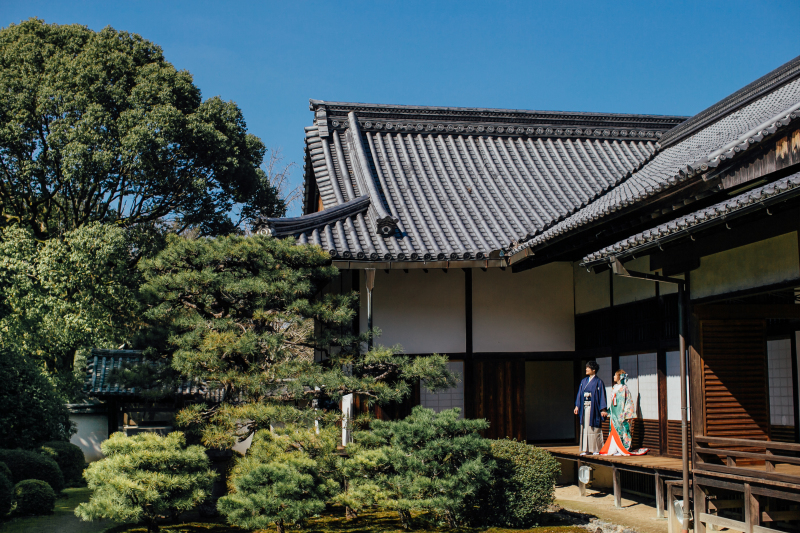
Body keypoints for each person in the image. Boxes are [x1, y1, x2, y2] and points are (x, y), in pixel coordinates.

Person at [574, 360, 607, 455]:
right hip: (584, 407)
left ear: (593, 370)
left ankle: (597, 449)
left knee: (594, 427)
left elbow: (602, 396)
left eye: (588, 368)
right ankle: (587, 449)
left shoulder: (598, 382)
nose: (586, 369)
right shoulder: (583, 381)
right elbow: (579, 394)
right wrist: (577, 406)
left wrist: (603, 409)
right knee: (585, 428)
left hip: (594, 408)